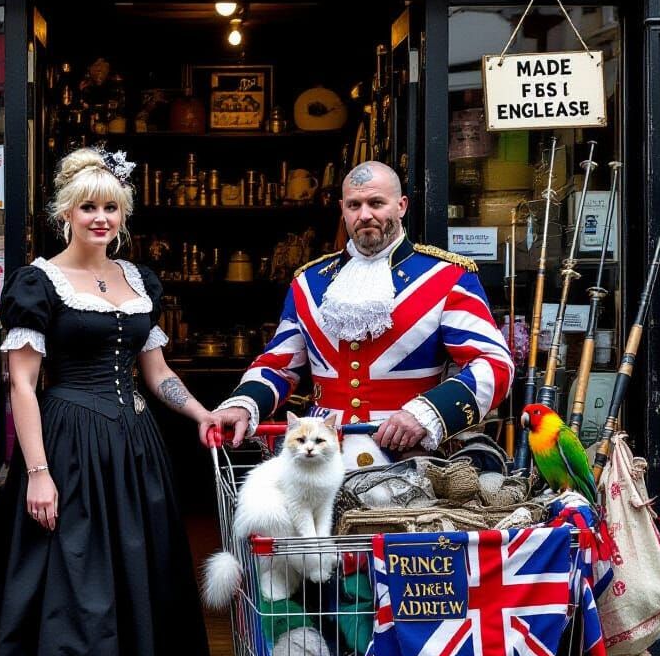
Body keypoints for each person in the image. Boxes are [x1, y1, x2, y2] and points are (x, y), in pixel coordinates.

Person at [0, 147, 215, 656]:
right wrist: (38, 472)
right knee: (70, 594)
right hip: (68, 449)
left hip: (135, 449)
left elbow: (157, 372)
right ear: (65, 211)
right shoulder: (37, 282)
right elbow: (23, 384)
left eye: (110, 206)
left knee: (116, 593)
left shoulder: (137, 277)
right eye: (88, 206)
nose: (100, 216)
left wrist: (200, 411)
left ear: (123, 215)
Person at [214, 161, 514, 467]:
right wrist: (244, 404)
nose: (365, 215)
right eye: (355, 205)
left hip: (407, 454)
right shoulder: (308, 282)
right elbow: (279, 366)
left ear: (401, 206)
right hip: (319, 458)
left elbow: (494, 364)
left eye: (376, 203)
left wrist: (428, 413)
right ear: (343, 209)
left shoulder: (448, 277)